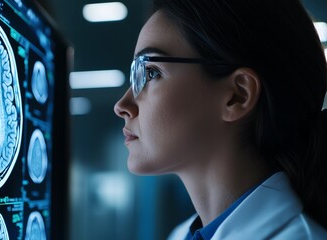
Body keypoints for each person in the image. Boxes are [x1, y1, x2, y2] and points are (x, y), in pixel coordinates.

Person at [114, 0, 327, 239]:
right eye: (136, 75)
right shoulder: (179, 234)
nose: (121, 106)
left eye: (151, 72)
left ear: (238, 95)